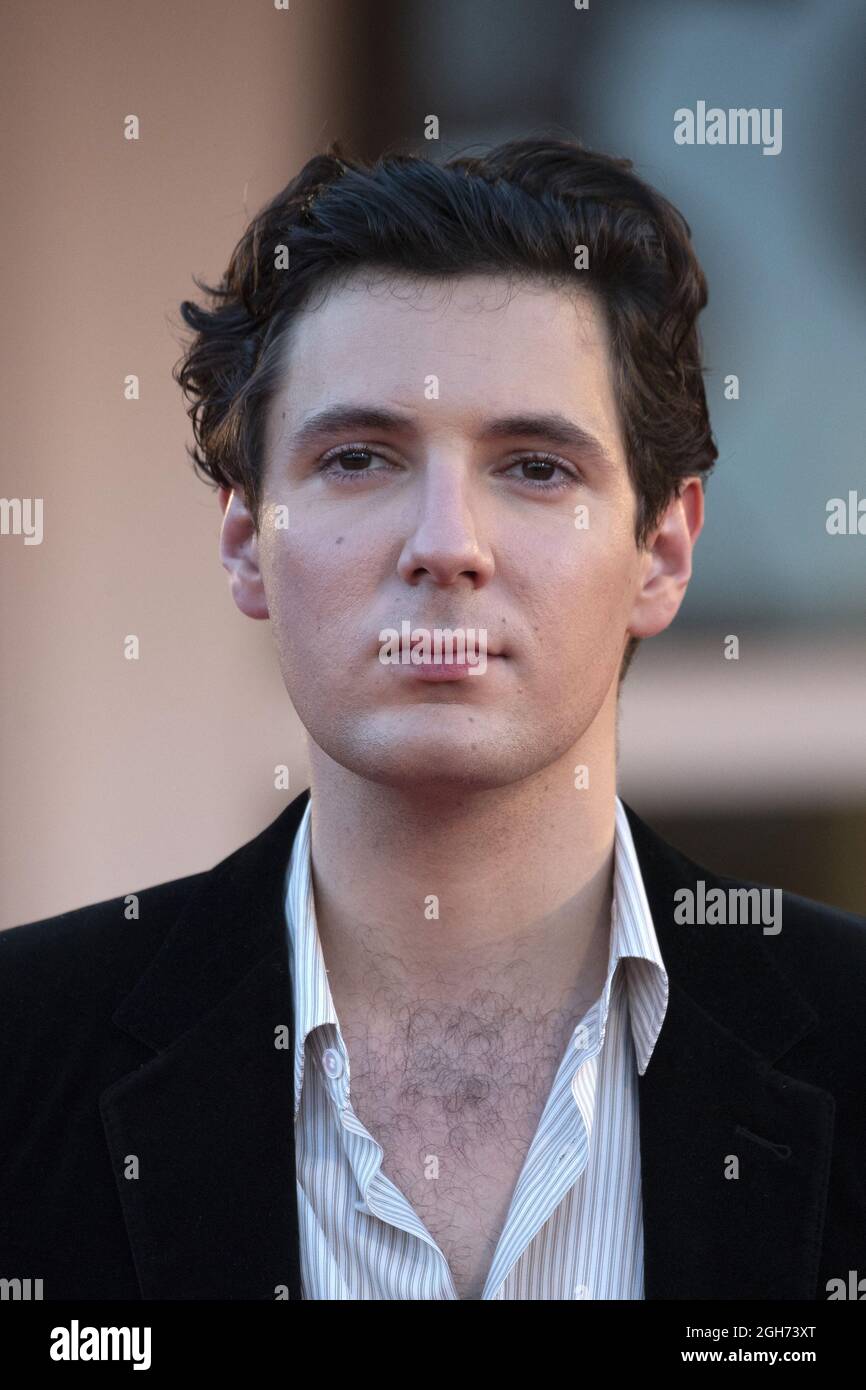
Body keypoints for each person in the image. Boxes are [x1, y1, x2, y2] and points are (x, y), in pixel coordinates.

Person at [2, 137, 864, 1302]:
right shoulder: (22, 1056)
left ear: (660, 551)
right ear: (248, 541)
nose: (445, 544)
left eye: (535, 467)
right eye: (358, 457)